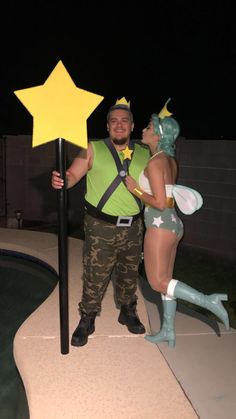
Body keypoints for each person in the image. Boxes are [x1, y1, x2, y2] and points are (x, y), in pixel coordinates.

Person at [125, 103, 230, 347]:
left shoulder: (154, 163)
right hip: (174, 225)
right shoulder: (170, 161)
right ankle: (168, 331)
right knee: (167, 283)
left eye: (149, 127)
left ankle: (208, 301)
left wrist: (135, 189)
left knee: (157, 282)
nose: (144, 129)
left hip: (160, 225)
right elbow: (168, 198)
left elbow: (159, 203)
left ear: (159, 134)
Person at [51, 99, 150, 347]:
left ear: (132, 125)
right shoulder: (92, 148)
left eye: (124, 121)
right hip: (100, 226)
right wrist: (62, 179)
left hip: (134, 227)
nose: (119, 125)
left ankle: (127, 310)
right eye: (114, 121)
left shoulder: (145, 153)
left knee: (129, 273)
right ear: (107, 126)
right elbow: (73, 175)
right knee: (95, 274)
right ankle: (88, 316)